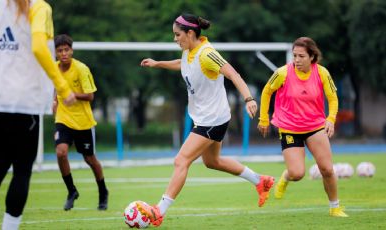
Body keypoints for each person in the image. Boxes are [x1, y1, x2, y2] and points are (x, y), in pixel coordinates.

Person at [136, 13, 275, 227]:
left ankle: (159, 210)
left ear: (190, 33)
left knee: (181, 161)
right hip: (206, 117)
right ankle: (260, 181)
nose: (175, 39)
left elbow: (233, 73)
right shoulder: (188, 52)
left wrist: (248, 98)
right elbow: (181, 64)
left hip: (212, 119)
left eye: (177, 35)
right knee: (212, 162)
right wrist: (157, 64)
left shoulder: (207, 53)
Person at [0, 0, 76, 229]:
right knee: (22, 170)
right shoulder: (39, 7)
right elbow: (38, 47)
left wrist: (0, 65)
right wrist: (63, 88)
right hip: (22, 101)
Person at [257, 37, 348, 217]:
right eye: (294, 56)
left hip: (315, 126)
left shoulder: (322, 73)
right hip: (289, 128)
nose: (296, 60)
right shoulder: (282, 72)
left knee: (327, 169)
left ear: (312, 57)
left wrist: (330, 119)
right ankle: (286, 177)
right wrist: (263, 118)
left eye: (301, 56)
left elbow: (332, 98)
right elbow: (267, 90)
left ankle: (335, 207)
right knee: (297, 173)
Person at [53, 34, 109, 211]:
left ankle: (103, 191)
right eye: (60, 50)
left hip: (83, 122)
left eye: (66, 50)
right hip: (63, 119)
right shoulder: (53, 68)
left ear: (72, 50)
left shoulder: (81, 69)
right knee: (61, 152)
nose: (63, 53)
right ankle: (71, 191)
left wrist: (73, 95)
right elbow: (56, 87)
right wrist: (54, 101)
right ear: (55, 53)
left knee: (90, 159)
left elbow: (90, 96)